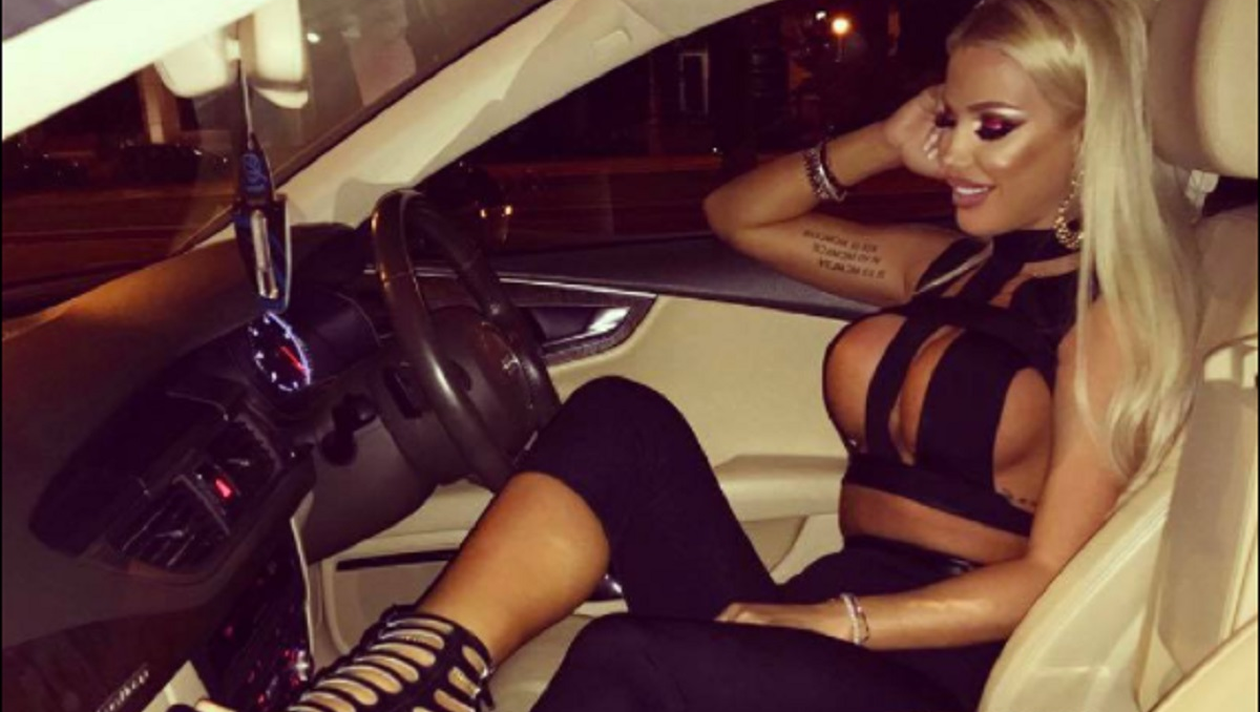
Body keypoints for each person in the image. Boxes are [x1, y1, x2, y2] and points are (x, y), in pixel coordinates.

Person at [285, 0, 1202, 710]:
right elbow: (739, 218)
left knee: (627, 656)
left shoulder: (1108, 317)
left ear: (1090, 135)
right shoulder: (949, 266)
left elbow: (1050, 577)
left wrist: (835, 622)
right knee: (621, 419)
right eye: (948, 117)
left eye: (993, 126)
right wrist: (884, 142)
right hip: (830, 622)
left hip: (933, 672)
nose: (954, 150)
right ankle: (425, 669)